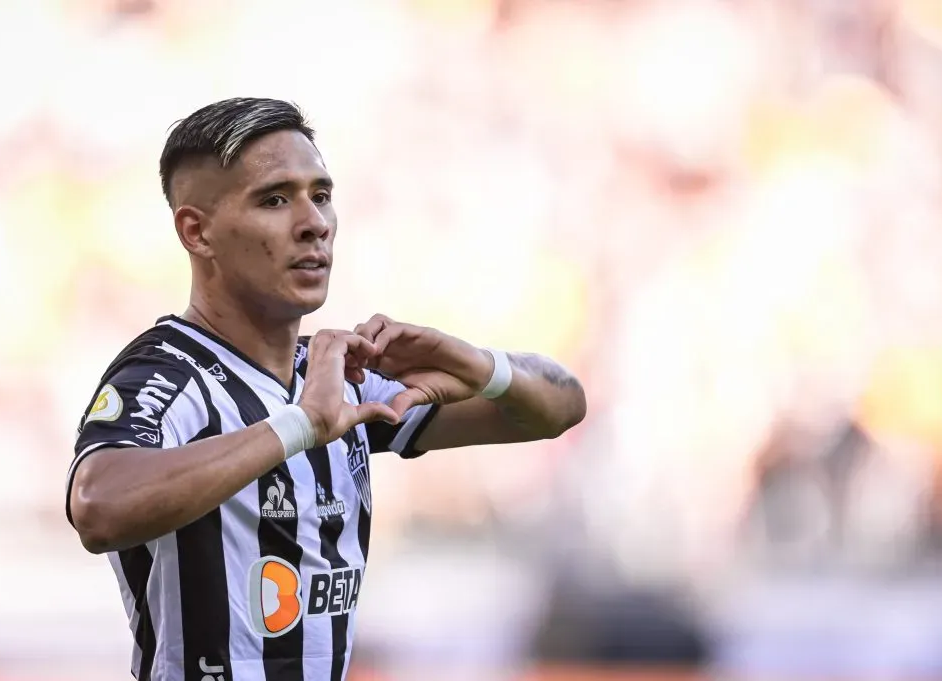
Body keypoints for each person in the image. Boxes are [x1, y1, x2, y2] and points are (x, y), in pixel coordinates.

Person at [65, 98, 586, 681]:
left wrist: (479, 363)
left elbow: (557, 408)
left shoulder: (335, 373)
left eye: (321, 194)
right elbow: (97, 506)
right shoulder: (168, 374)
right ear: (198, 231)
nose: (313, 222)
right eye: (274, 199)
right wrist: (297, 427)